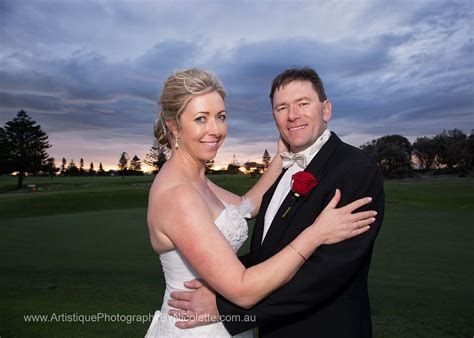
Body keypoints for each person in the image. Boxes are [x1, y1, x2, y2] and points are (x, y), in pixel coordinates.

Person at [145, 68, 378, 337]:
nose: (216, 130)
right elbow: (242, 290)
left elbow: (246, 206)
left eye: (220, 117)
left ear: (326, 110)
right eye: (201, 118)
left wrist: (279, 159)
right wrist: (316, 233)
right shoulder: (178, 194)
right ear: (174, 126)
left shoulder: (198, 180)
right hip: (196, 327)